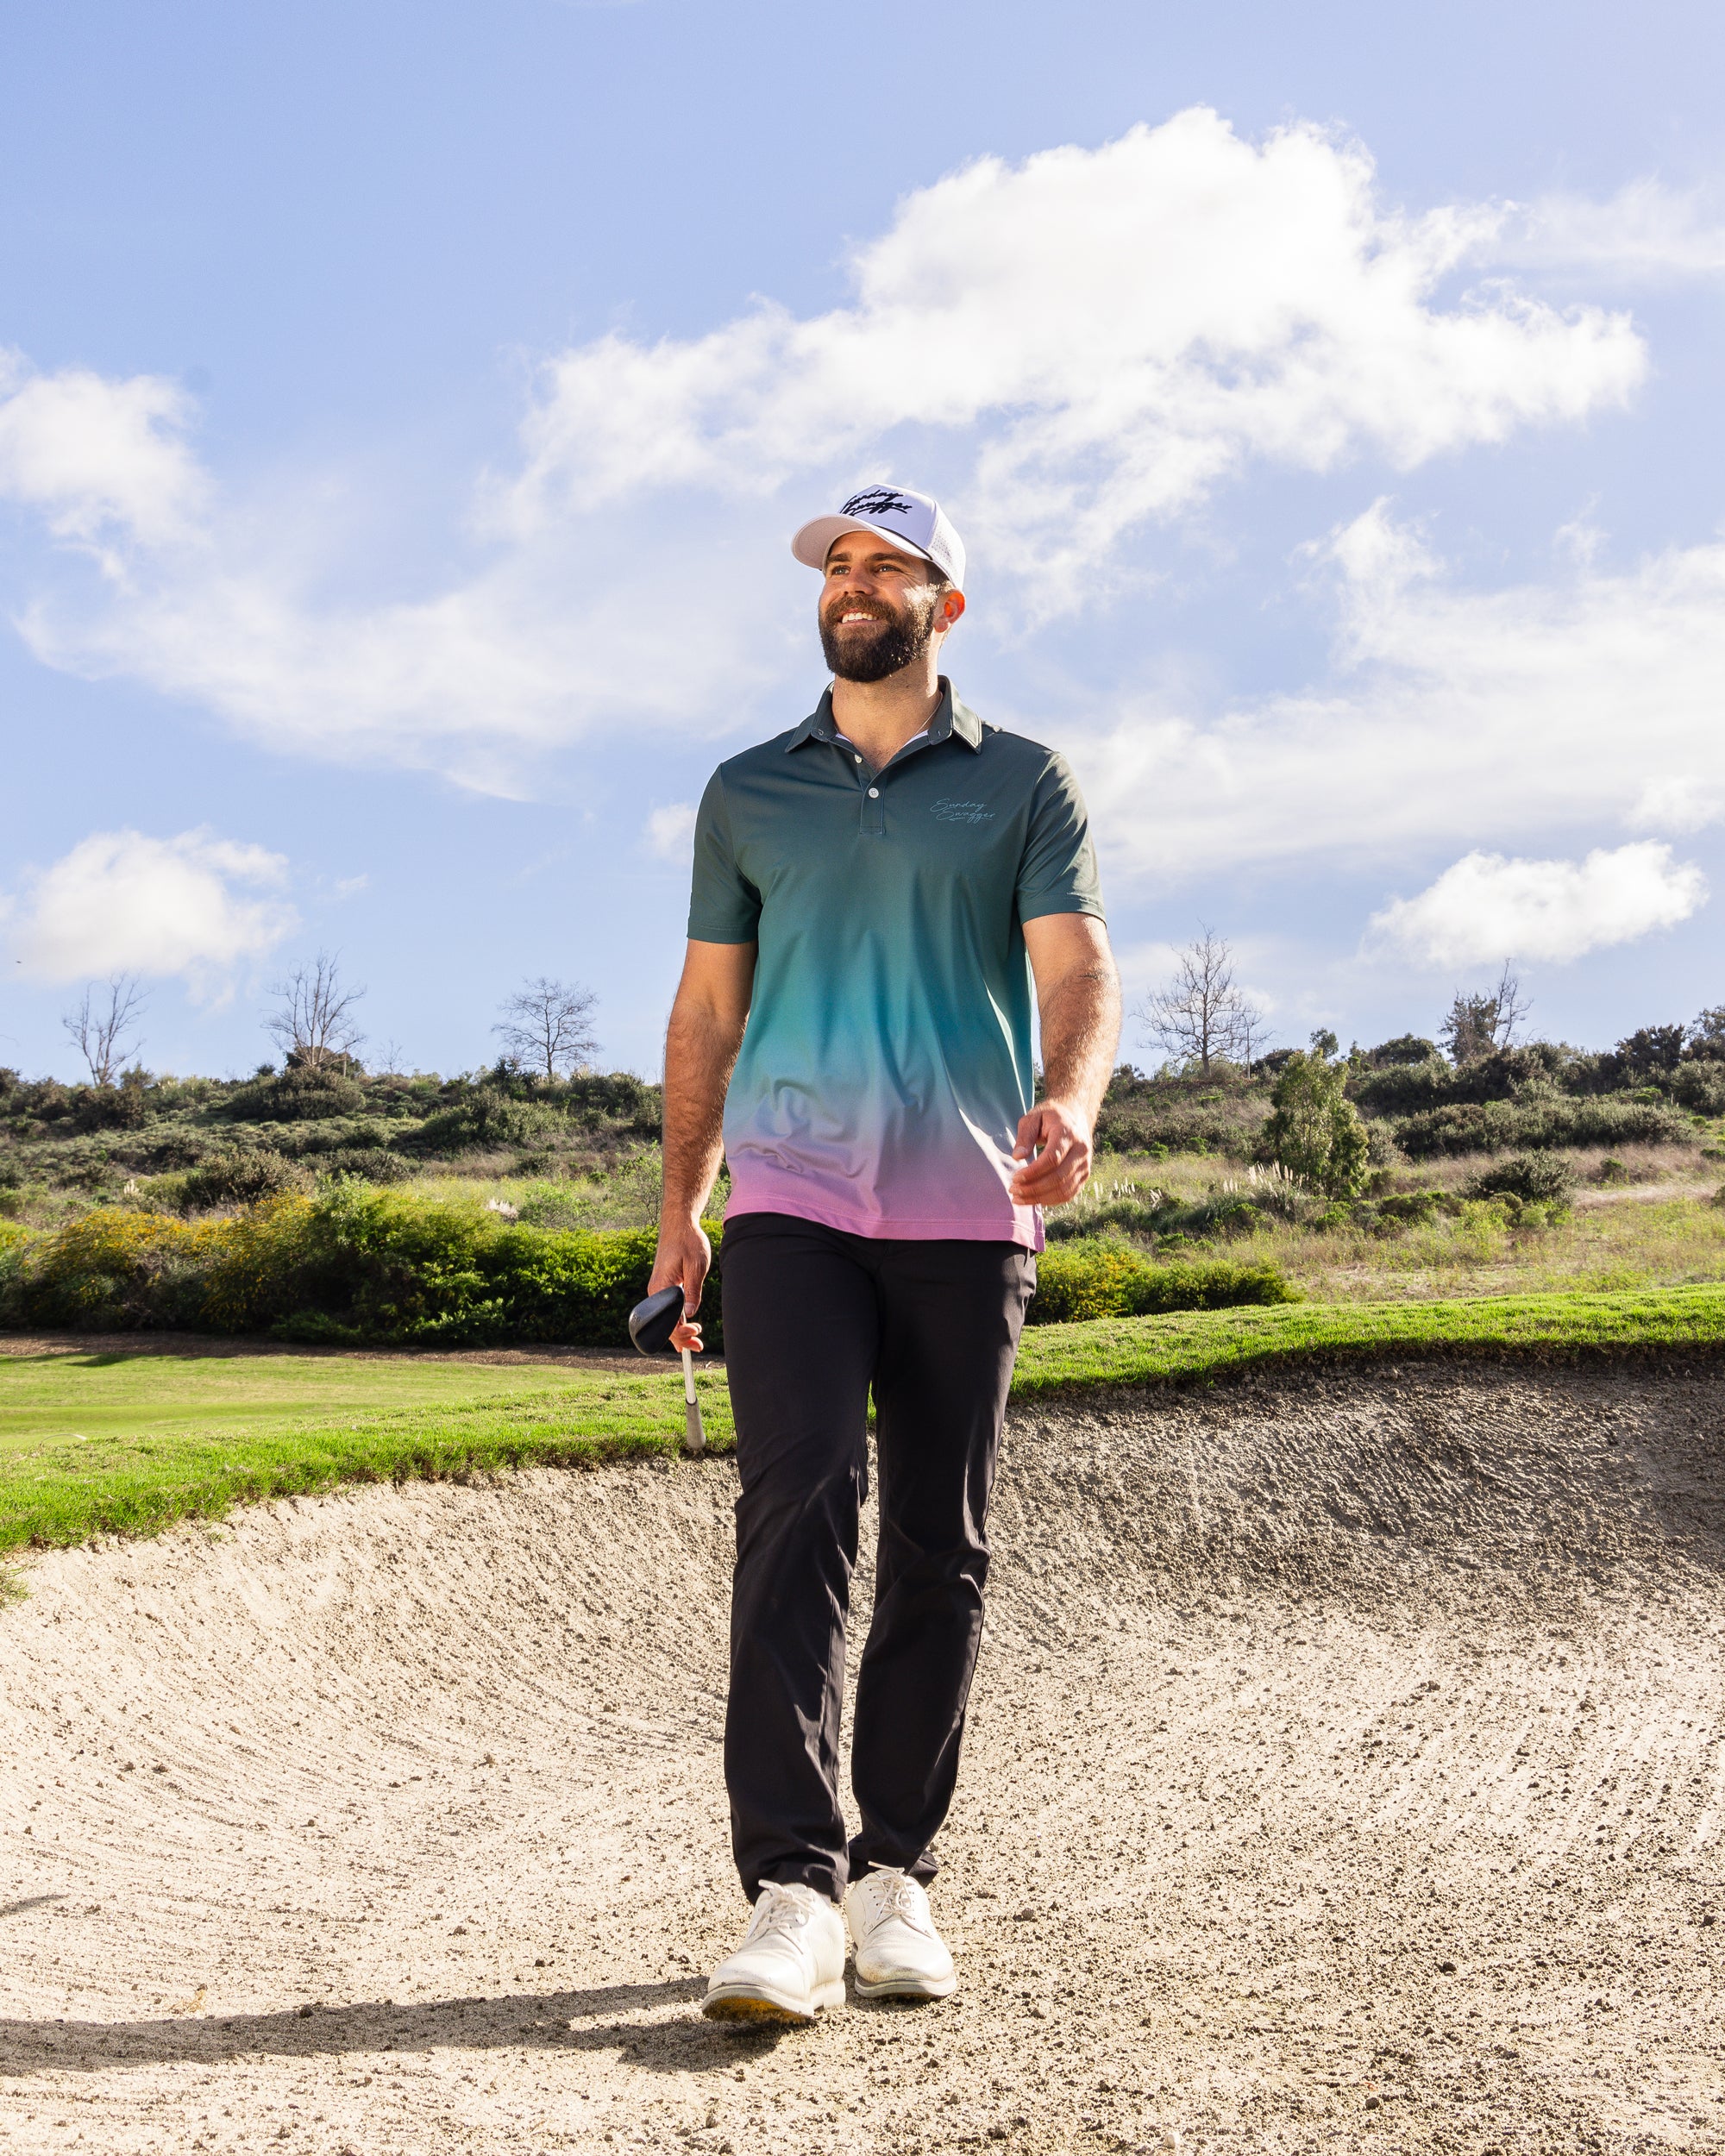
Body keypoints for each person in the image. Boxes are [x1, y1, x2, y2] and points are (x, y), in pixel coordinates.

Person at [648, 485, 1120, 2025]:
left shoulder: (1025, 780)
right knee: (796, 1510)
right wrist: (682, 1211)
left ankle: (893, 1873)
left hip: (967, 1204)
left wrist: (1071, 1102)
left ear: (944, 605)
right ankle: (791, 1890)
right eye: (836, 565)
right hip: (788, 1200)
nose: (851, 584)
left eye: (885, 565)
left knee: (940, 1540)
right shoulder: (746, 791)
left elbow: (1078, 971)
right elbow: (706, 1011)